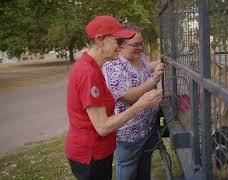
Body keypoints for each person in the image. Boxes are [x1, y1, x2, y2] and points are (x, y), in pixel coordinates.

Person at [65, 16, 162, 180]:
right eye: (118, 40)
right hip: (91, 155)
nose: (120, 45)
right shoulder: (88, 73)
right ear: (100, 40)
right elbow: (102, 127)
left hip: (101, 150)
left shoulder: (94, 67)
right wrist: (142, 104)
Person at [102, 25, 165, 180]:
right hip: (129, 134)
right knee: (128, 171)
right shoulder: (112, 65)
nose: (140, 48)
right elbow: (127, 96)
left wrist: (159, 63)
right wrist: (154, 80)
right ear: (121, 45)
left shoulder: (139, 56)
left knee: (144, 169)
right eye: (135, 45)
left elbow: (145, 67)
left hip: (148, 128)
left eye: (141, 43)